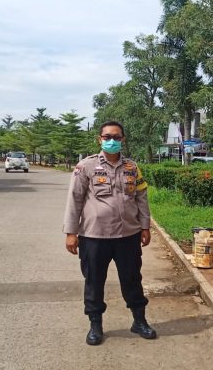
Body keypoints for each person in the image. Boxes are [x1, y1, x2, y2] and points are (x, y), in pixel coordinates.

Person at [63, 121, 156, 346]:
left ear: (123, 139)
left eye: (116, 136)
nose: (111, 140)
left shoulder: (132, 167)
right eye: (107, 137)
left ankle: (139, 321)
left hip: (128, 236)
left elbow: (141, 198)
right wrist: (71, 232)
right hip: (95, 236)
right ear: (100, 139)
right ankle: (95, 326)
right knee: (94, 281)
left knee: (132, 279)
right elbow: (74, 199)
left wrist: (145, 226)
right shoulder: (85, 166)